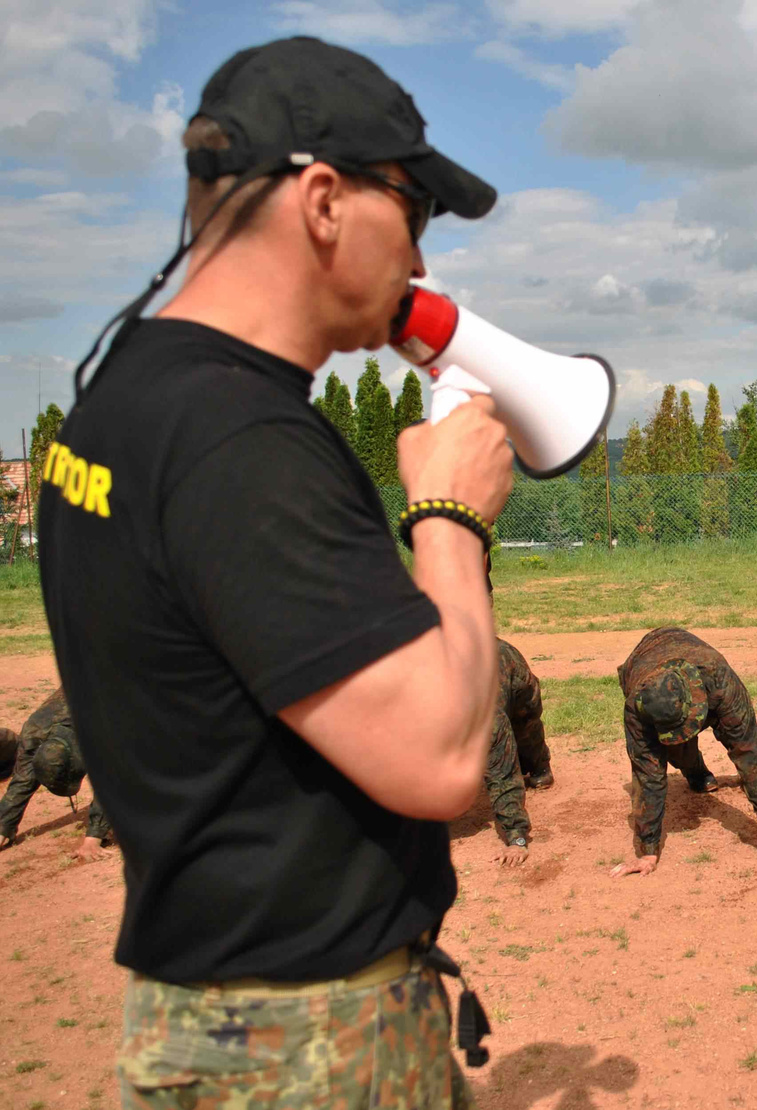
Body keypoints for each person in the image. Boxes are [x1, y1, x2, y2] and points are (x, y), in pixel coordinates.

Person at [36, 37, 509, 1109]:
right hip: (309, 1044)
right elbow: (438, 759)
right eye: (416, 211)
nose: (423, 265)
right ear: (326, 199)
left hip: (212, 1019)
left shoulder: (122, 400)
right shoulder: (243, 442)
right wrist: (449, 515)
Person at [610, 627, 757, 877]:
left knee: (740, 742)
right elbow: (648, 774)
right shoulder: (638, 704)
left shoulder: (719, 680)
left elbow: (748, 748)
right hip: (642, 658)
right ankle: (697, 774)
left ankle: (699, 773)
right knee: (673, 747)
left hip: (702, 669)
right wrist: (648, 850)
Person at [0, 688, 114, 863]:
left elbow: (111, 780)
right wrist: (3, 825)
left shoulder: (104, 731)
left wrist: (94, 837)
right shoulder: (34, 730)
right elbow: (23, 778)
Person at [485, 637, 552, 868]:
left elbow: (500, 771)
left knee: (525, 732)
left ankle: (540, 766)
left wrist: (517, 837)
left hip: (515, 677)